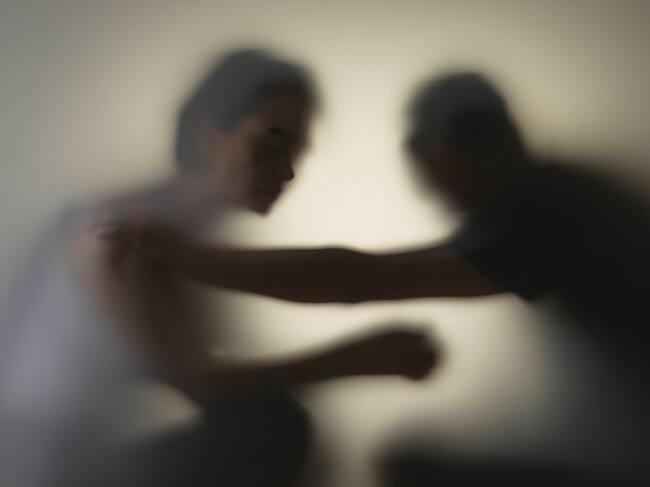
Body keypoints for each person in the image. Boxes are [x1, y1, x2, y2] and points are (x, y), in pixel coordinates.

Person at [112, 72, 650, 486]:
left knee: (397, 464)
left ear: (442, 156)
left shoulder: (541, 214)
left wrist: (193, 259)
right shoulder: (569, 195)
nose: (436, 197)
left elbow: (356, 277)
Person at [0, 49, 437, 487]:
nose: (288, 172)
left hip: (93, 452)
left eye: (297, 154)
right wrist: (353, 360)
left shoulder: (180, 236)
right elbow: (197, 379)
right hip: (53, 463)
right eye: (271, 145)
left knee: (274, 423)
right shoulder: (123, 228)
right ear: (209, 134)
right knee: (272, 426)